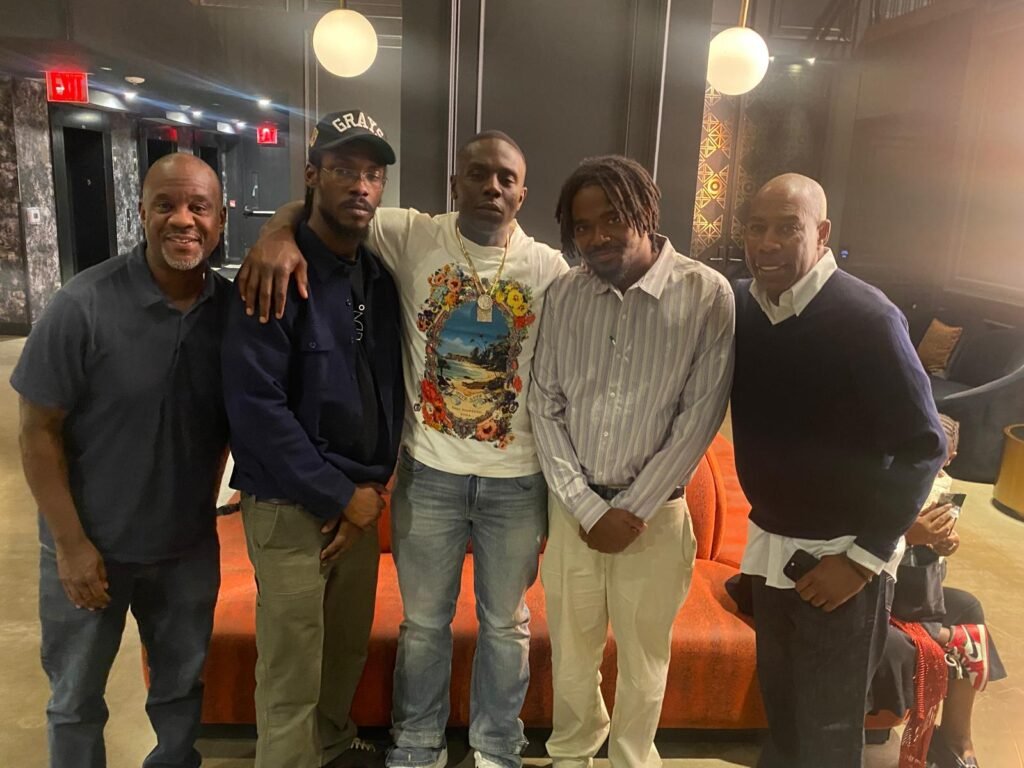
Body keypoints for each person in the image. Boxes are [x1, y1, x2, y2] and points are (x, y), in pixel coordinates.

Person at [240, 130, 569, 768]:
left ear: (523, 194)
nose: (491, 187)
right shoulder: (412, 234)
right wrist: (275, 234)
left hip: (516, 480)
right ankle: (417, 743)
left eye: (506, 178)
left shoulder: (549, 269)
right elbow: (326, 204)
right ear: (454, 183)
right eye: (478, 173)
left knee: (507, 625)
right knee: (423, 624)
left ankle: (497, 747)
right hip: (430, 475)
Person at [12, 153, 229, 768]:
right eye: (166, 205)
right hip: (92, 545)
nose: (183, 220)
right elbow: (36, 433)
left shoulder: (233, 311)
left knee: (180, 691)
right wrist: (71, 545)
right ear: (141, 213)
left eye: (199, 207)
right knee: (76, 700)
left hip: (185, 549)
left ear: (220, 221)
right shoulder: (81, 304)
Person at [731, 173, 946, 767]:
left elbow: (924, 444)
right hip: (772, 552)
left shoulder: (867, 317)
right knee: (782, 716)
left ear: (822, 233)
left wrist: (858, 561)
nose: (767, 243)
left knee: (828, 731)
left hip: (842, 561)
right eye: (756, 227)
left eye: (787, 228)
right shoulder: (746, 308)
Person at [528, 156, 734, 768]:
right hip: (573, 512)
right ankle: (572, 753)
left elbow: (699, 417)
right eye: (582, 226)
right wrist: (587, 508)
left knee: (645, 660)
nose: (597, 237)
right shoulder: (564, 293)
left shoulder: (706, 294)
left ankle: (631, 759)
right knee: (571, 652)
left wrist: (632, 510)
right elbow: (544, 404)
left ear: (646, 211)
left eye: (612, 219)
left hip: (656, 517)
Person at [220, 110, 405, 768]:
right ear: (312, 176)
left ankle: (328, 748)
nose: (360, 185)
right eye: (343, 170)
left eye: (372, 174)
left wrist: (369, 492)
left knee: (342, 651)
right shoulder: (274, 274)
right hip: (291, 504)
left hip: (358, 501)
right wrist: (339, 495)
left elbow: (385, 390)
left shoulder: (378, 275)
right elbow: (256, 409)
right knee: (292, 668)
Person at [869, 414, 1007, 768]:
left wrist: (945, 542)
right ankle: (949, 640)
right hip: (871, 586)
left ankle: (956, 741)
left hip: (912, 585)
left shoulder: (943, 487)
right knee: (947, 637)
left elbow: (933, 551)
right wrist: (908, 535)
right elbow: (858, 544)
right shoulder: (884, 476)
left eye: (939, 454)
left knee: (968, 607)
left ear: (950, 458)